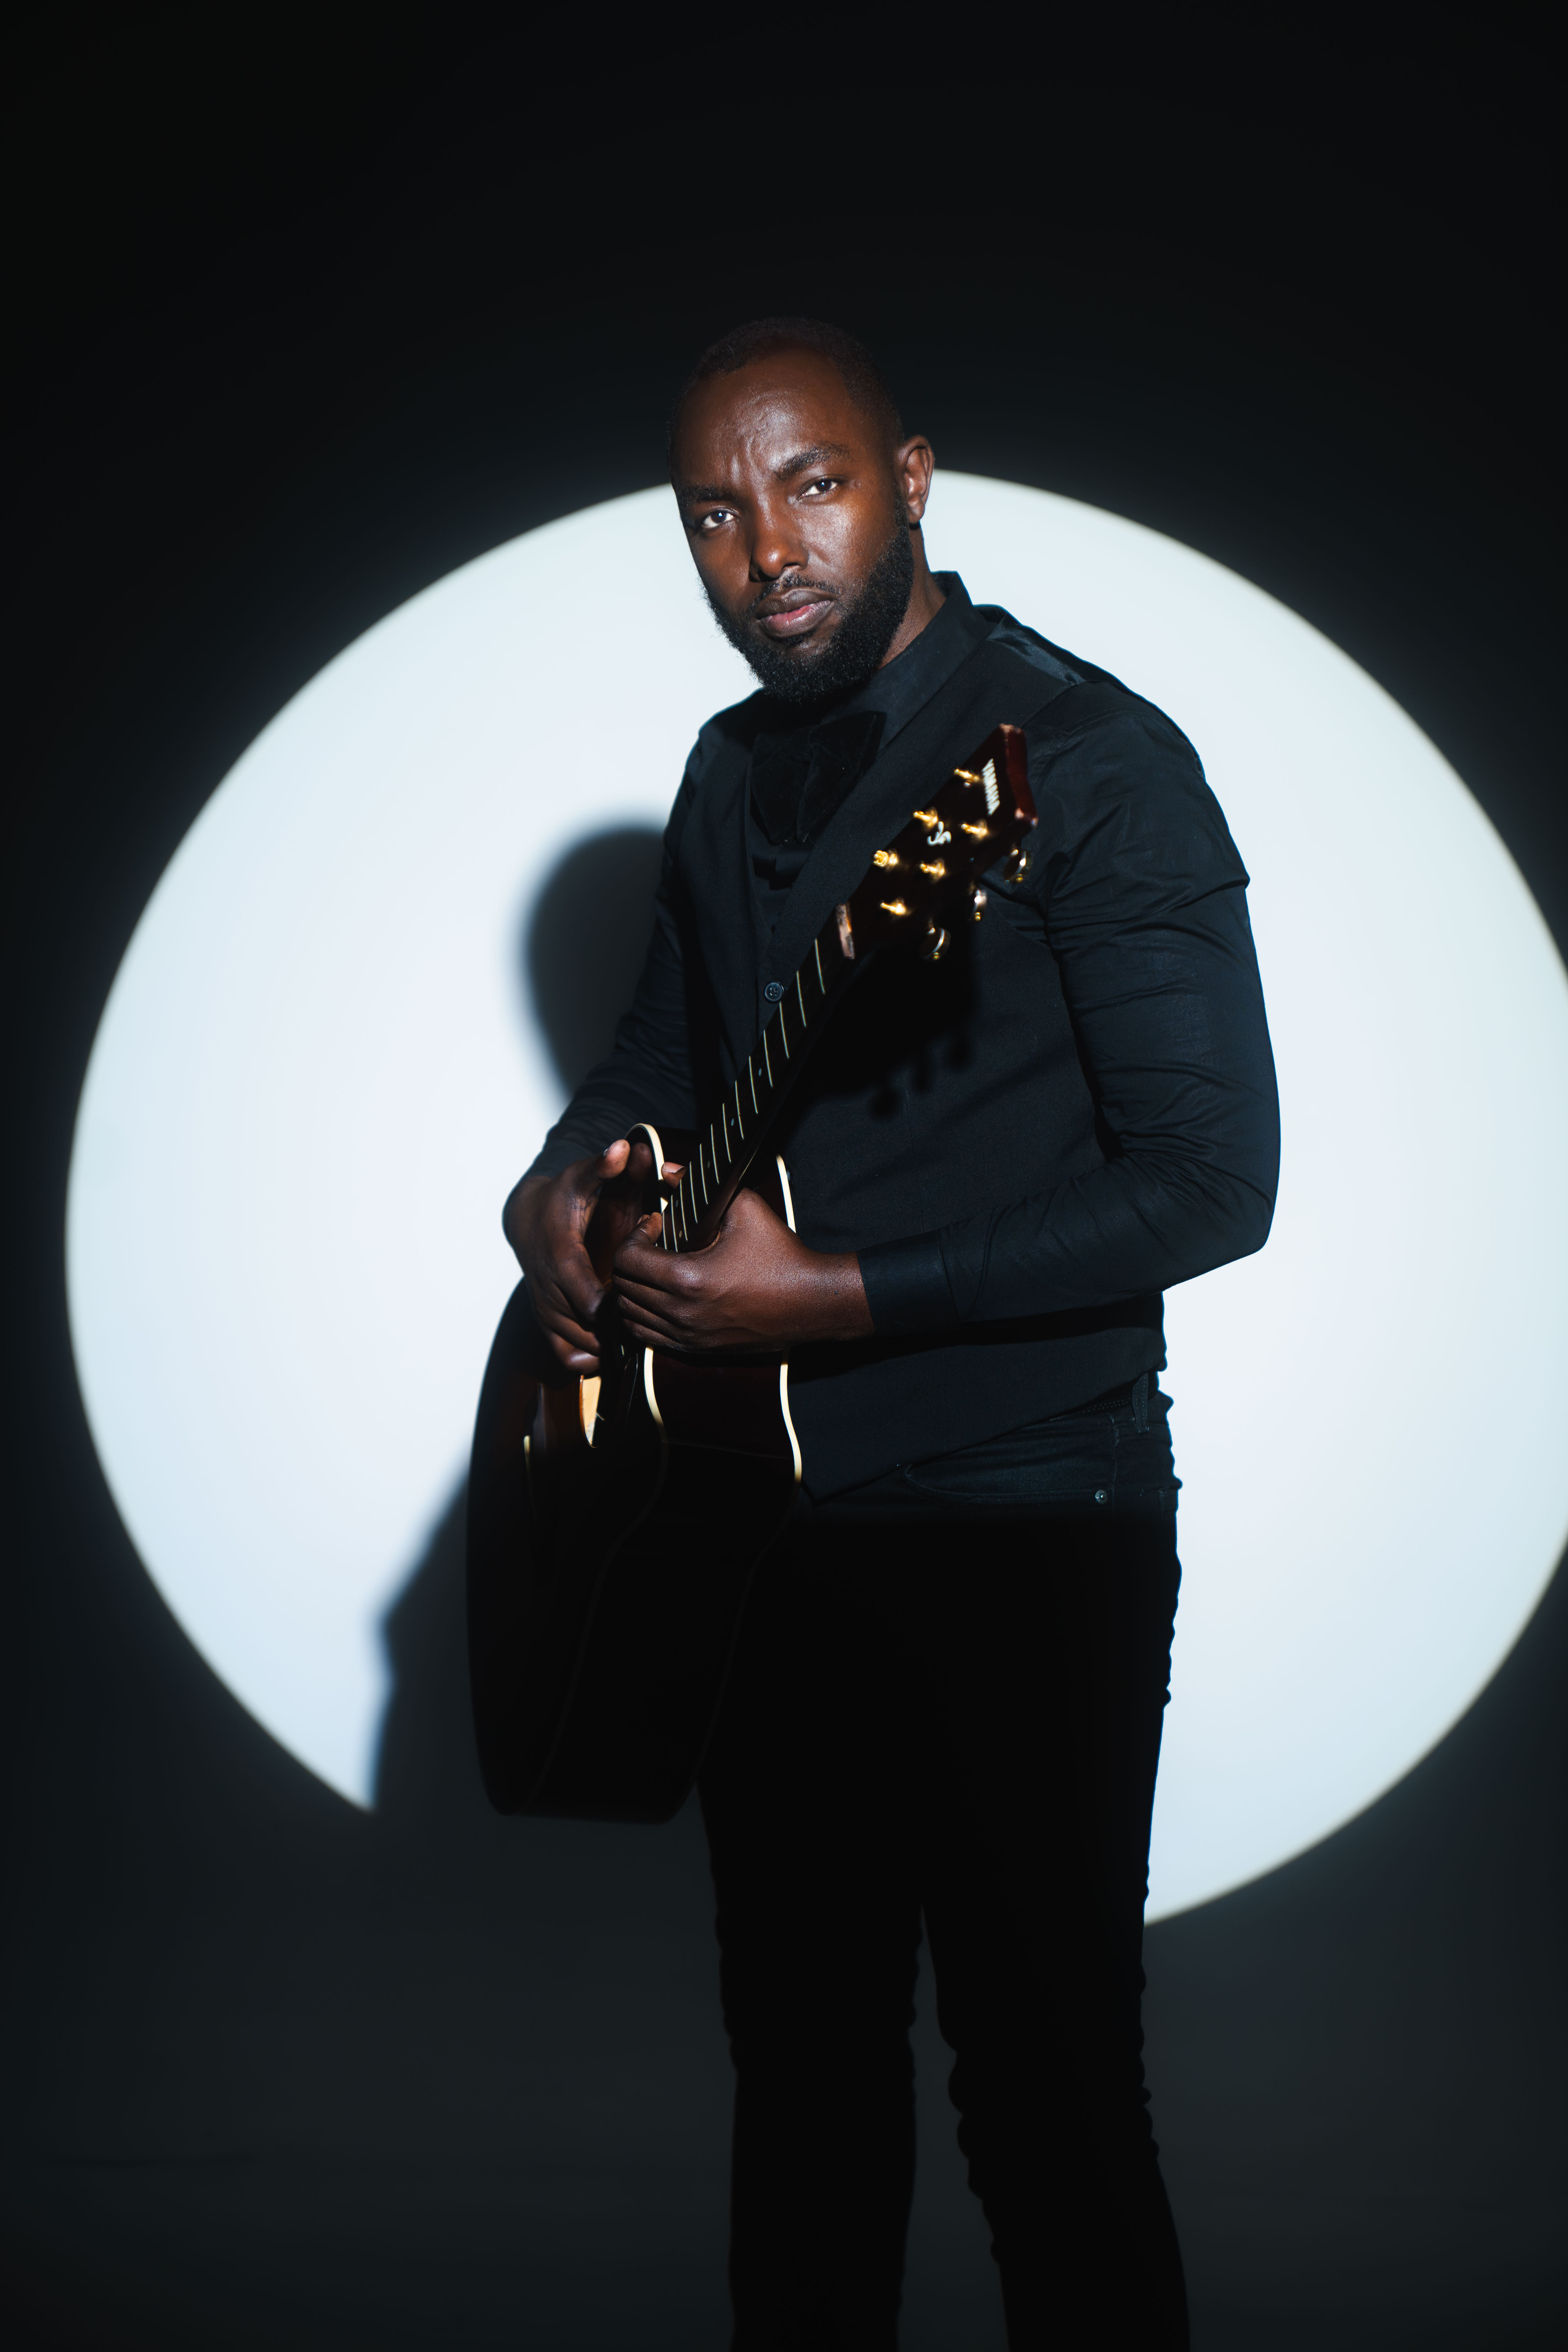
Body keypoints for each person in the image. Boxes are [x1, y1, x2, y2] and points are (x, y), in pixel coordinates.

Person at [503, 317, 1279, 2350]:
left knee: (1045, 2093)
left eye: (815, 485)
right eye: (712, 512)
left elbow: (1214, 1186)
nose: (766, 548)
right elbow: (661, 1052)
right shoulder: (728, 767)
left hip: (1028, 1514)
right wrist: (559, 1183)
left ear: (914, 479)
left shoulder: (1087, 769)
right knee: (804, 2085)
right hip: (760, 1514)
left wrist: (830, 1294)